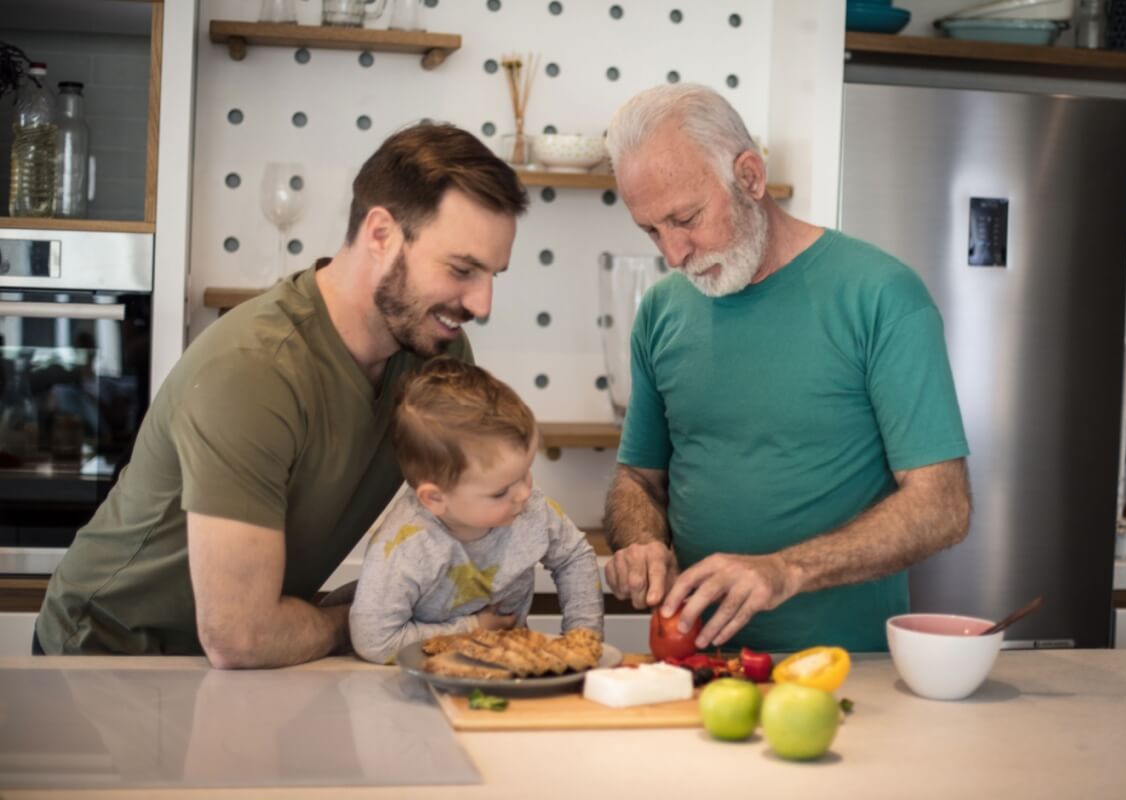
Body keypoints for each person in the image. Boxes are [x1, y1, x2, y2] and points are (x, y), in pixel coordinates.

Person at [34, 124, 529, 667]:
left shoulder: (438, 356)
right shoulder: (253, 371)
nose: (481, 303)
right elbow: (240, 637)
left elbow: (472, 513)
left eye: (492, 275)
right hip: (106, 655)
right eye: (461, 269)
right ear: (381, 233)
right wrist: (363, 618)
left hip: (239, 658)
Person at [601, 84, 971, 653]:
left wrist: (785, 570)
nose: (673, 254)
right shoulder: (661, 309)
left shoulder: (880, 295)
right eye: (652, 230)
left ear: (749, 177)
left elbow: (943, 506)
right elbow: (637, 481)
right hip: (693, 665)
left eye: (686, 218)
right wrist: (642, 540)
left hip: (845, 669)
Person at [348, 358, 603, 665]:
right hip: (418, 685)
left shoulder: (530, 508)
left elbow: (574, 557)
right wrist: (472, 629)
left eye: (525, 473)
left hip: (508, 674)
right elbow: (374, 642)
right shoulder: (406, 547)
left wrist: (583, 639)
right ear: (435, 498)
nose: (524, 494)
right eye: (500, 491)